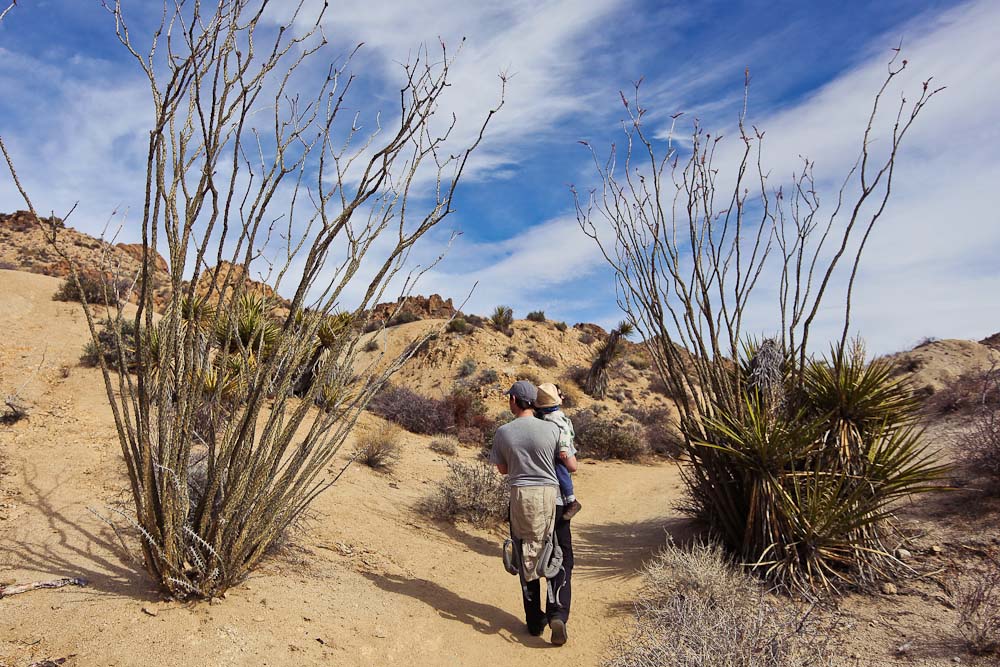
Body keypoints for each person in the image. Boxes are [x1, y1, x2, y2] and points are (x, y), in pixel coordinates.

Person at [490, 380, 578, 646]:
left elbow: (503, 470)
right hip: (551, 497)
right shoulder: (552, 429)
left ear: (515, 400)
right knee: (556, 552)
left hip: (520, 497)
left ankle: (534, 620)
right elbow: (569, 463)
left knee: (524, 551)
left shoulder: (504, 432)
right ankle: (557, 613)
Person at [533, 382, 582, 520]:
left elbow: (565, 432)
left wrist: (564, 448)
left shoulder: (554, 417)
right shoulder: (547, 416)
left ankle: (571, 500)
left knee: (561, 469)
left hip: (559, 452)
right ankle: (569, 501)